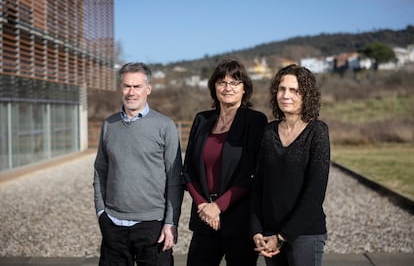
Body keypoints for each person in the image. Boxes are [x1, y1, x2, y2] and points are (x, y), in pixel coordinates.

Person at [93, 62, 184, 266]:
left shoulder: (165, 126)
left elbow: (175, 179)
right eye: (127, 86)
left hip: (153, 226)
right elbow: (100, 170)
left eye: (137, 86)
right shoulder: (109, 125)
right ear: (121, 88)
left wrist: (171, 222)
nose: (131, 92)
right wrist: (101, 212)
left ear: (148, 89)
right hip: (113, 225)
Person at [183, 58, 268, 266]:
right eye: (222, 82)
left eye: (234, 82)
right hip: (204, 219)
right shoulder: (202, 120)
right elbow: (188, 171)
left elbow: (252, 173)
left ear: (244, 88)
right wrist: (204, 205)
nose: (227, 87)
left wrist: (218, 206)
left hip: (239, 220)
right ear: (214, 87)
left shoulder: (255, 121)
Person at [251, 64, 330, 266]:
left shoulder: (317, 132)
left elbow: (315, 192)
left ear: (307, 95)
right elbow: (259, 185)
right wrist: (257, 230)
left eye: (294, 90)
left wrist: (283, 237)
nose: (286, 95)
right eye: (282, 89)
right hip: (269, 234)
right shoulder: (269, 132)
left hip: (305, 234)